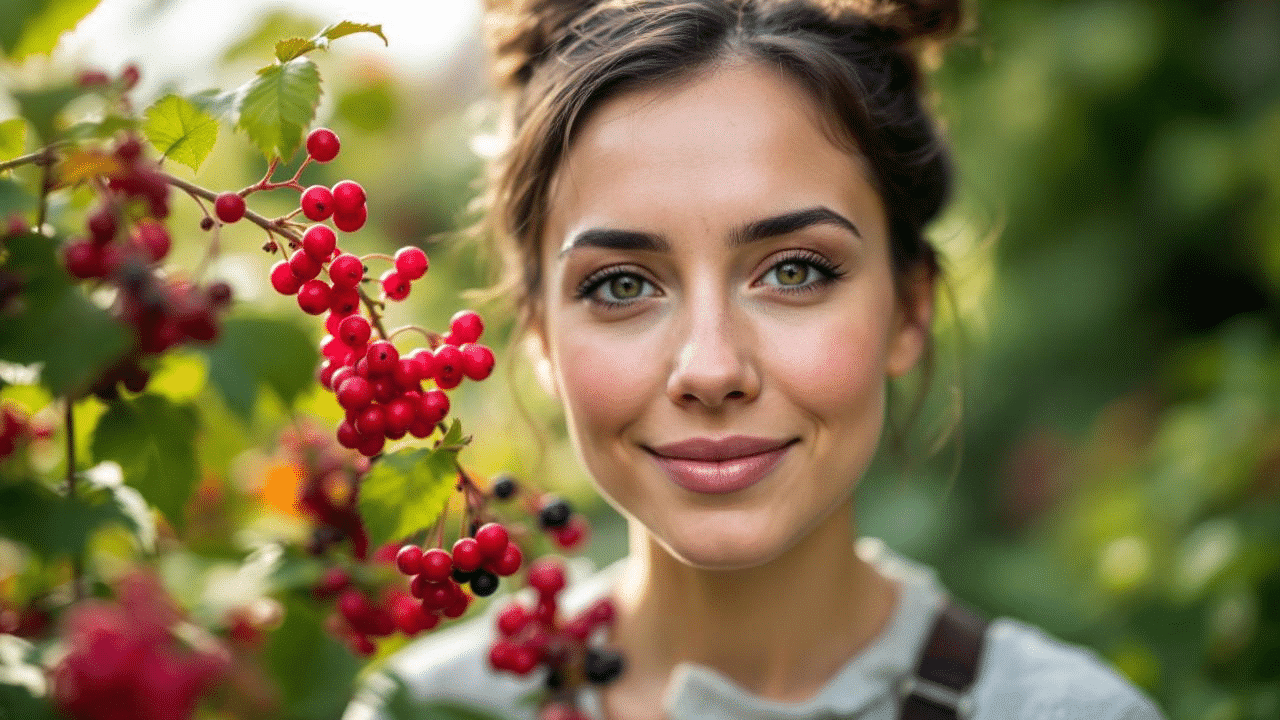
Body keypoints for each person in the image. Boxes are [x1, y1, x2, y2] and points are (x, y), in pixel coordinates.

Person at [345, 0, 1168, 718]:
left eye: (794, 272)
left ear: (908, 309)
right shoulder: (431, 711)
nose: (710, 369)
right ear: (538, 334)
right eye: (623, 284)